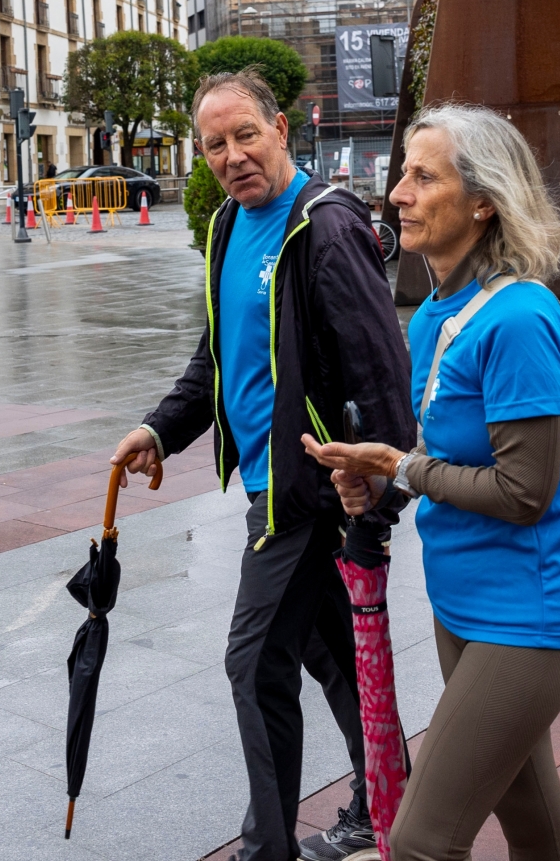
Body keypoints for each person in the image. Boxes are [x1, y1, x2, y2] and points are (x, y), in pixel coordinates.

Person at [111, 69, 415, 861]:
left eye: (246, 134)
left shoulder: (323, 226)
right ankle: (387, 795)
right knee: (329, 654)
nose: (233, 155)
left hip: (313, 492)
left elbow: (381, 371)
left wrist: (377, 503)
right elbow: (218, 357)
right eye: (214, 144)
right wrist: (161, 427)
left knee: (253, 662)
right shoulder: (224, 228)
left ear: (280, 128)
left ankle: (266, 848)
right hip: (269, 484)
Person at [303, 102, 560, 861]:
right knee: (533, 820)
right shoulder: (436, 313)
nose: (397, 191)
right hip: (461, 602)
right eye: (402, 173)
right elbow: (437, 454)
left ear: (483, 199)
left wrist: (397, 466)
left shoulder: (519, 320)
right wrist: (373, 484)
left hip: (527, 616)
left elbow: (523, 491)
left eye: (422, 175)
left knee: (421, 839)